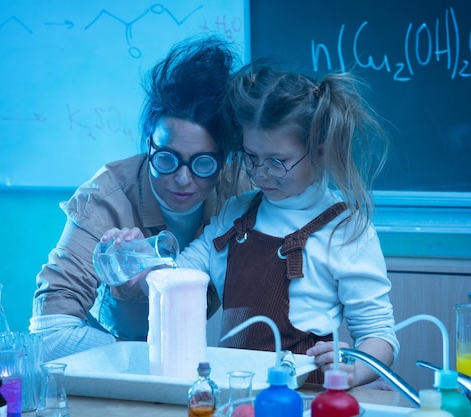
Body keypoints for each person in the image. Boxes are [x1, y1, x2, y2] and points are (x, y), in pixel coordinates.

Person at [104, 63, 399, 387]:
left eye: (277, 161)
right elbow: (174, 281)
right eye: (251, 157)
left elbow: (379, 336)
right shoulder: (234, 215)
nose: (260, 174)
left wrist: (356, 367)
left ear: (319, 152)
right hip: (234, 394)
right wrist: (139, 260)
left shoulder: (346, 231)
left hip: (304, 400)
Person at [29, 35, 252, 362]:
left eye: (203, 163)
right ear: (149, 144)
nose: (182, 179)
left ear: (224, 160)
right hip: (122, 374)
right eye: (166, 158)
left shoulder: (244, 188)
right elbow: (49, 333)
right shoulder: (103, 201)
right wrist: (150, 360)